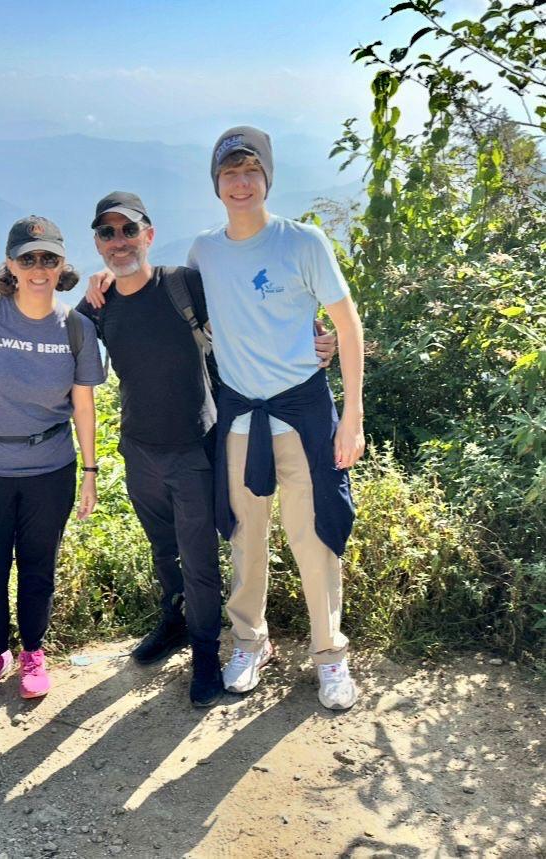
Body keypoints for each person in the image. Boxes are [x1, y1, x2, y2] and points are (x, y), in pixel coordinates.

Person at [79, 193, 337, 708]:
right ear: (98, 245)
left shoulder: (181, 284)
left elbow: (253, 307)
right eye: (107, 234)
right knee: (164, 550)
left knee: (199, 560)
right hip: (138, 448)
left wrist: (316, 339)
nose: (119, 242)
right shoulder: (97, 305)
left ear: (148, 236)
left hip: (197, 445)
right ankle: (173, 623)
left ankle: (204, 653)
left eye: (128, 231)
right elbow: (47, 320)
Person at [190, 126, 365, 709]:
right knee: (245, 537)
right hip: (241, 415)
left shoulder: (303, 242)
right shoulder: (204, 251)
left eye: (250, 172)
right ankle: (250, 642)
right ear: (216, 185)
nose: (241, 184)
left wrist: (353, 416)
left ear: (267, 178)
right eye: (229, 174)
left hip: (304, 411)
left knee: (314, 538)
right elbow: (181, 310)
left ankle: (330, 654)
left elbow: (347, 326)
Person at [0, 216, 104, 708]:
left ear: (61, 265)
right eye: (28, 259)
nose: (38, 268)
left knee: (39, 567)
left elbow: (84, 406)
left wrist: (91, 472)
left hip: (50, 469)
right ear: (10, 264)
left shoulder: (76, 328)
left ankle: (33, 652)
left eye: (48, 259)